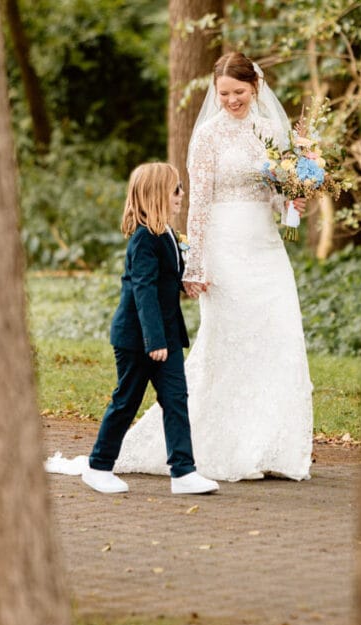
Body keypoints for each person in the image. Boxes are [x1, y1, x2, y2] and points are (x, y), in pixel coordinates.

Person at [110, 52, 313, 482]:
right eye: (223, 93)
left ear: (254, 87)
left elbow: (275, 198)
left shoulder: (272, 132)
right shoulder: (207, 136)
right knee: (230, 341)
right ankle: (224, 446)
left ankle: (269, 445)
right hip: (224, 250)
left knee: (280, 334)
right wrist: (194, 265)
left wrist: (293, 200)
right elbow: (198, 204)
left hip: (266, 248)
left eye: (238, 92)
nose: (231, 101)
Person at [73, 161, 219, 495]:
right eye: (176, 189)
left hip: (163, 334)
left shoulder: (165, 233)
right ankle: (98, 467)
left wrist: (187, 285)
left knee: (176, 398)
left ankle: (183, 472)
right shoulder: (143, 239)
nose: (182, 194)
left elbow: (164, 278)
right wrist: (154, 339)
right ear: (157, 195)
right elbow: (143, 290)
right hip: (138, 338)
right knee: (126, 401)